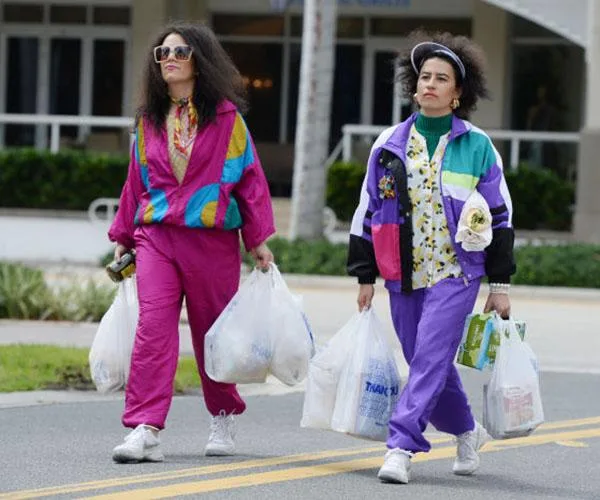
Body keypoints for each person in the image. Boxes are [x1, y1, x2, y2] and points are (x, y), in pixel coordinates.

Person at [347, 31, 516, 484]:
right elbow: (368, 209)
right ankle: (465, 431)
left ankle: (401, 445)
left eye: (442, 79)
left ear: (458, 92)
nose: (430, 85)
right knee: (425, 358)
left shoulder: (477, 144)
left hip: (457, 273)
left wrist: (499, 284)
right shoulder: (390, 142)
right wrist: (364, 274)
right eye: (425, 77)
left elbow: (500, 214)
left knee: (428, 358)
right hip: (402, 272)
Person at [108, 22, 275, 463]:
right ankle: (145, 428)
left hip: (211, 241)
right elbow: (134, 182)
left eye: (179, 52)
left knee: (212, 333)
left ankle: (222, 413)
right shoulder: (148, 122)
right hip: (157, 236)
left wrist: (257, 239)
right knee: (153, 329)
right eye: (162, 54)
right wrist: (124, 236)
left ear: (200, 60)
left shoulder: (226, 120)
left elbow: (250, 182)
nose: (169, 60)